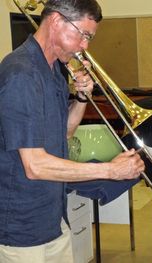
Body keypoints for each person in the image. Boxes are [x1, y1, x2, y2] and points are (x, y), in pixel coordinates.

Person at [0, 1, 144, 262]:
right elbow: (35, 166)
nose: (85, 46)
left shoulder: (54, 68)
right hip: (21, 228)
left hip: (53, 218)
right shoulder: (21, 73)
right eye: (84, 34)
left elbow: (63, 133)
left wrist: (80, 98)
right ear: (56, 21)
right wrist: (110, 170)